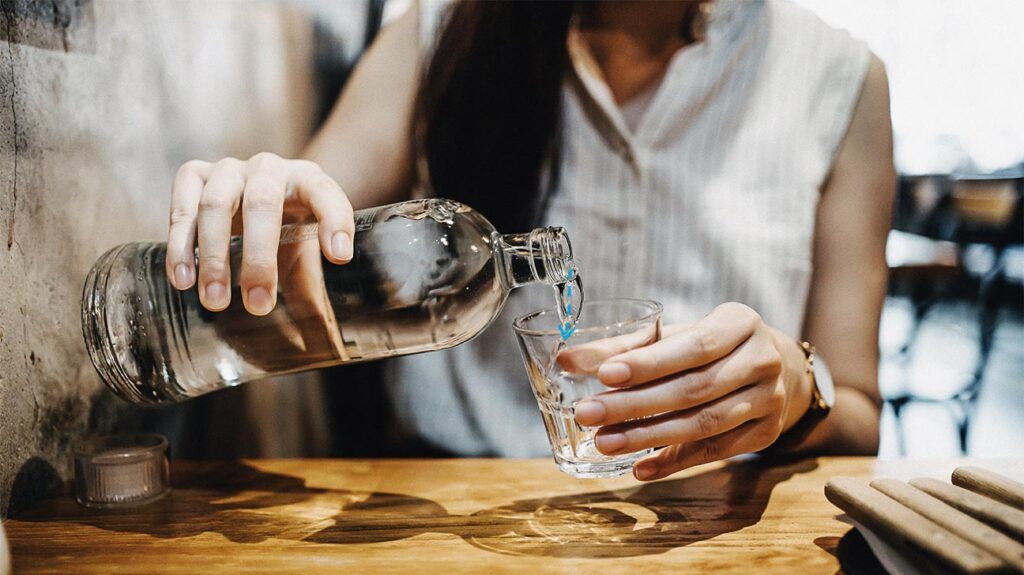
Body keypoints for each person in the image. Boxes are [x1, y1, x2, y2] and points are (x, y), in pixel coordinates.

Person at [163, 0, 894, 481]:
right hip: (452, 507)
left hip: (709, 521)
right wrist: (258, 205)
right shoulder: (444, 29)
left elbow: (859, 412)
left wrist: (798, 386)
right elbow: (304, 218)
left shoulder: (838, 79)